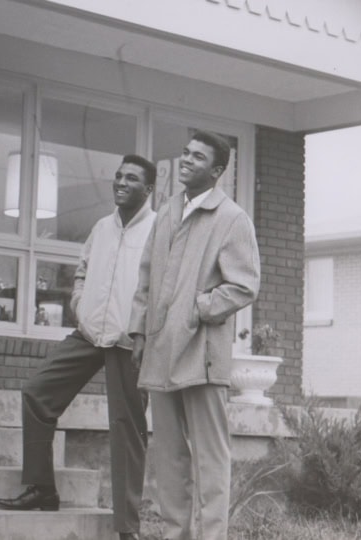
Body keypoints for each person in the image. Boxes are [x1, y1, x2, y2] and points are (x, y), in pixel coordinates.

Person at [0, 154, 157, 540]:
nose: (120, 182)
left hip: (128, 341)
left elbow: (162, 289)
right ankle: (41, 489)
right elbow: (82, 270)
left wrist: (142, 331)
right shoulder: (102, 227)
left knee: (125, 428)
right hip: (88, 333)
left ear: (149, 189)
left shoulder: (159, 230)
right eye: (118, 176)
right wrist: (79, 304)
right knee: (37, 393)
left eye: (131, 179)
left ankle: (127, 527)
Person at [129, 131, 260, 540]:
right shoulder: (168, 211)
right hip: (161, 350)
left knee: (210, 459)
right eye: (184, 153)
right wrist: (138, 330)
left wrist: (196, 309)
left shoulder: (232, 219)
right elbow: (146, 275)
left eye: (198, 157)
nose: (186, 160)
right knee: (169, 457)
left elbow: (244, 284)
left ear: (217, 171)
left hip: (202, 356)